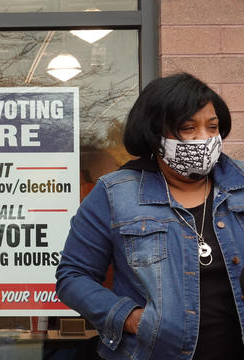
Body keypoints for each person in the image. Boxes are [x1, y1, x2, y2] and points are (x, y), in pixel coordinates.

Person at [55, 72, 244, 359]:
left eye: (212, 127)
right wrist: (129, 318)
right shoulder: (114, 194)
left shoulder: (240, 184)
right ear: (156, 135)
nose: (204, 139)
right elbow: (73, 276)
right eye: (188, 128)